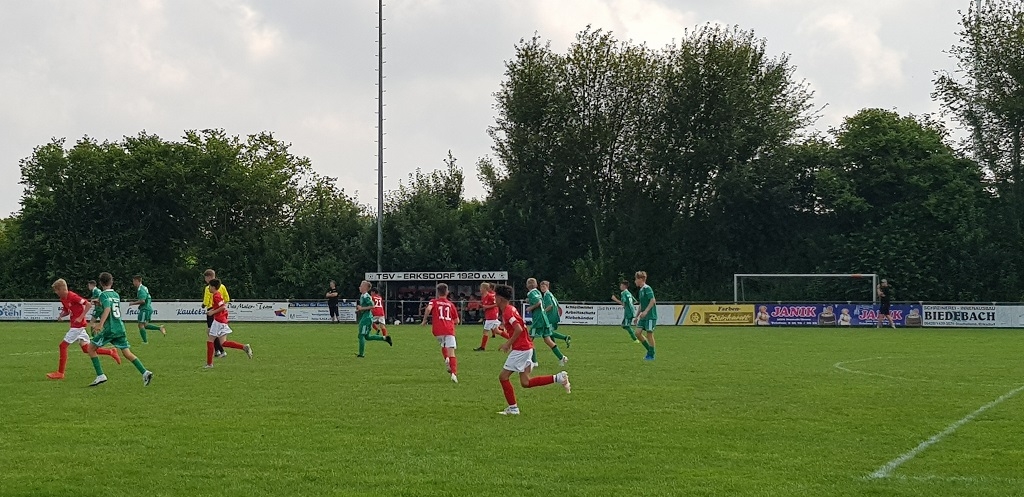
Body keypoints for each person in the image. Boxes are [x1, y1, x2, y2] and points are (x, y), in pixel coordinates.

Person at [494, 283, 570, 415]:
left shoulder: (507, 311)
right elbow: (519, 329)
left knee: (503, 377)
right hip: (526, 347)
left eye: (495, 296)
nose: (494, 299)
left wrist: (508, 343)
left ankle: (513, 409)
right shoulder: (510, 309)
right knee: (525, 382)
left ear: (500, 298)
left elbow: (518, 329)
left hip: (521, 349)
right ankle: (558, 377)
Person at [86, 272, 153, 387]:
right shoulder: (116, 295)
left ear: (101, 283)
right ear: (111, 282)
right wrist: (97, 302)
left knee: (91, 348)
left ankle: (100, 375)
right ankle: (145, 372)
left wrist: (100, 324)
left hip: (110, 329)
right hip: (120, 328)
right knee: (127, 353)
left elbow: (107, 308)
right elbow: (110, 304)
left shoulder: (103, 295)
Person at [47, 279, 120, 379]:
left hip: (78, 326)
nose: (56, 293)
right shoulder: (63, 299)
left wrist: (81, 317)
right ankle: (111, 352)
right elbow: (67, 310)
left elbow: (88, 304)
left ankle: (60, 373)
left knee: (62, 346)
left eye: (57, 290)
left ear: (62, 289)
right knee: (86, 349)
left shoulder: (72, 296)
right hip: (76, 326)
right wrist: (61, 315)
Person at [204, 279, 252, 368]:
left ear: (213, 287)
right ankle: (244, 347)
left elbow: (222, 307)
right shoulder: (218, 294)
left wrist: (212, 312)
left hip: (218, 321)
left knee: (210, 340)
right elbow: (221, 307)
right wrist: (213, 310)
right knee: (223, 342)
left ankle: (209, 364)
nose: (208, 288)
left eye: (210, 286)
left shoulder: (216, 295)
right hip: (222, 320)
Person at [421, 283, 460, 383]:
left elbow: (428, 309)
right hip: (449, 329)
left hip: (437, 330)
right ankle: (454, 374)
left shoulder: (433, 301)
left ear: (437, 292)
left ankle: (446, 358)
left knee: (443, 344)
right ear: (447, 292)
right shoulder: (451, 304)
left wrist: (425, 319)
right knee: (452, 352)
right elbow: (457, 321)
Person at [526, 278, 566, 367]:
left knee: (529, 340)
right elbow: (540, 302)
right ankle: (561, 357)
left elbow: (539, 302)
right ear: (536, 285)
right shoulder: (538, 292)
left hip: (538, 320)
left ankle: (534, 361)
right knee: (547, 340)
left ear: (527, 285)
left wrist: (530, 308)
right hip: (544, 319)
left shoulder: (532, 293)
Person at [356, 280, 392, 357]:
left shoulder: (366, 296)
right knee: (367, 337)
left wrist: (361, 308)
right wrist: (360, 309)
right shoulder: (363, 295)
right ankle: (385, 338)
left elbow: (372, 306)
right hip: (366, 317)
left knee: (361, 335)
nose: (359, 287)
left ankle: (361, 354)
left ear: (365, 287)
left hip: (367, 318)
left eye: (361, 286)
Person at [203, 269, 231, 358]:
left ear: (209, 277)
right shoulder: (222, 286)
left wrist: (204, 305)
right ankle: (217, 351)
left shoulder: (209, 288)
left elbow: (207, 299)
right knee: (214, 333)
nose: (205, 280)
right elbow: (227, 298)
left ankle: (220, 351)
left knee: (210, 332)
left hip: (213, 310)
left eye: (206, 278)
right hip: (221, 311)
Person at [129, 275, 165, 343]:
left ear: (137, 281)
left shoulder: (141, 290)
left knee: (141, 325)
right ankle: (159, 328)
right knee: (145, 325)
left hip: (145, 309)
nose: (133, 283)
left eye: (134, 281)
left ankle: (145, 342)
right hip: (147, 308)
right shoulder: (144, 288)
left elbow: (143, 301)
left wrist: (133, 303)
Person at [474, 282, 508, 351]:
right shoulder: (484, 296)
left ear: (484, 289)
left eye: (481, 288)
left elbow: (496, 304)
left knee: (485, 331)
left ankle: (482, 347)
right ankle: (512, 339)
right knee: (497, 331)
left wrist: (487, 307)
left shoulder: (490, 296)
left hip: (491, 316)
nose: (480, 289)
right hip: (489, 315)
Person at [540, 280, 571, 348]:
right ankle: (553, 345)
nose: (542, 288)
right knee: (549, 332)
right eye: (541, 287)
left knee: (548, 332)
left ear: (547, 287)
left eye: (544, 286)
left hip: (550, 316)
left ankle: (565, 337)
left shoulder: (547, 295)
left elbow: (550, 306)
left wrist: (543, 312)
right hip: (553, 315)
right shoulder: (550, 294)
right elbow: (556, 303)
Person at [634, 271, 657, 361]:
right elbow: (641, 304)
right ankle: (650, 351)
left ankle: (651, 355)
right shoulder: (641, 290)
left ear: (641, 279)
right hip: (644, 316)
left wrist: (646, 312)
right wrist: (637, 316)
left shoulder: (647, 288)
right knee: (637, 333)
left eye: (636, 279)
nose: (635, 281)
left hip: (650, 316)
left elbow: (652, 300)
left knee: (649, 334)